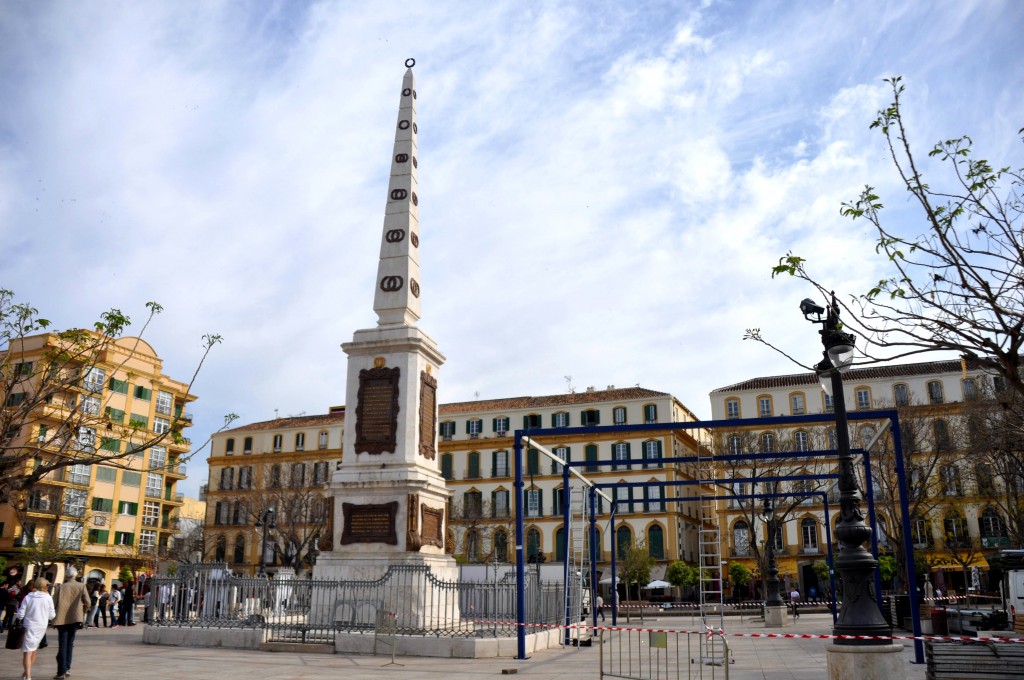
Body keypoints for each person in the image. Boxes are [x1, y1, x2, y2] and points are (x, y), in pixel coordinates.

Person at [52, 566, 91, 680]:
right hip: (75, 618)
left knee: (62, 644)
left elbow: (54, 603)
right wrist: (81, 612)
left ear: (66, 575)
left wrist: (52, 617)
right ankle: (67, 668)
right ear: (75, 575)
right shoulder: (81, 586)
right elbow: (88, 603)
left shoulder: (61, 587)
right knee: (70, 643)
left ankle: (61, 671)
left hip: (61, 619)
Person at [15, 578, 56, 680]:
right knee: (33, 650)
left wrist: (17, 616)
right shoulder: (48, 598)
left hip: (29, 626)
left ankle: (28, 676)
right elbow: (52, 615)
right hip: (41, 627)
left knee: (27, 652)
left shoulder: (28, 597)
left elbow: (21, 614)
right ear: (44, 586)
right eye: (47, 585)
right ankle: (26, 673)